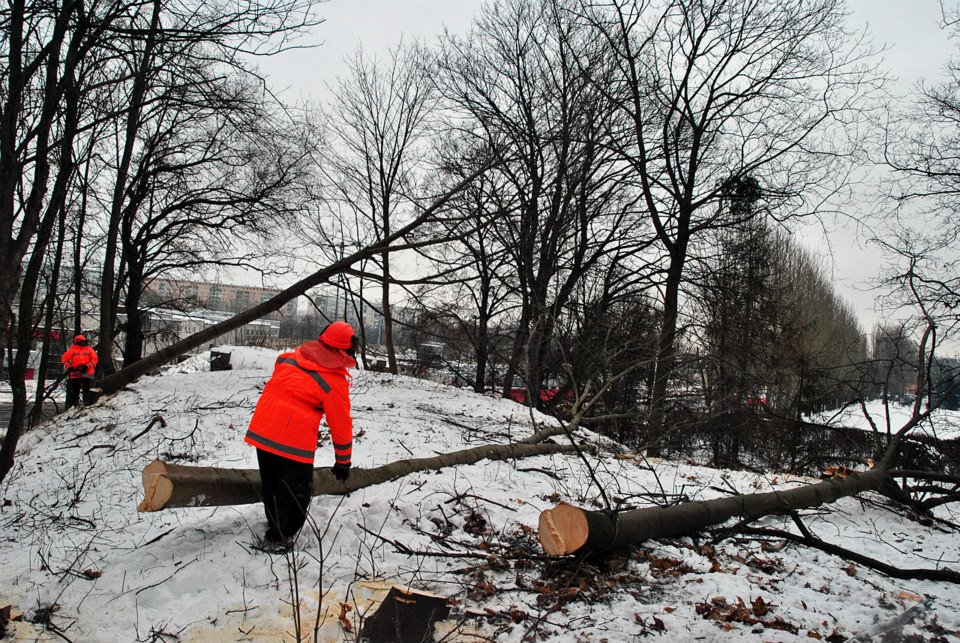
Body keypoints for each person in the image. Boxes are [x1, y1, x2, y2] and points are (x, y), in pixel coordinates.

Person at [244, 321, 356, 550]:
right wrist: (343, 461)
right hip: (292, 441)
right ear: (346, 350)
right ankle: (279, 538)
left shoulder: (288, 358)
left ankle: (275, 530)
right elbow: (341, 424)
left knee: (273, 485)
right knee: (297, 494)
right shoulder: (334, 381)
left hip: (263, 431)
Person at [61, 334, 98, 410]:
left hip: (87, 373)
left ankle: (87, 404)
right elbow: (64, 359)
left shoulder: (89, 350)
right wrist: (70, 367)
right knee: (75, 390)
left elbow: (95, 360)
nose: (85, 343)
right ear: (78, 342)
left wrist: (87, 366)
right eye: (83, 341)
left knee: (87, 389)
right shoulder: (72, 350)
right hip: (75, 373)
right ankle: (75, 405)